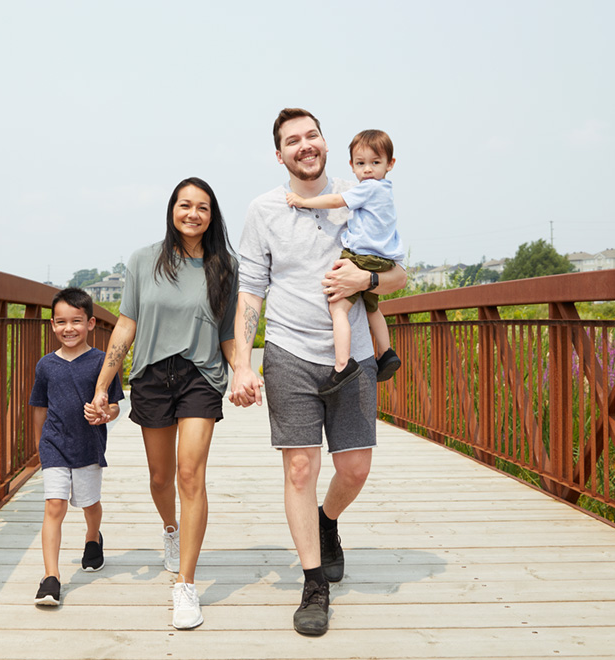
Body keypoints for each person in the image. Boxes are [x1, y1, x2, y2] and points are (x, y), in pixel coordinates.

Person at [229, 109, 407, 636]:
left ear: (325, 143)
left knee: (353, 469)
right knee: (300, 469)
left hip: (351, 360)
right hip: (287, 350)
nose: (304, 146)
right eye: (292, 140)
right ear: (279, 154)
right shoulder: (263, 210)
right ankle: (313, 584)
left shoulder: (364, 192)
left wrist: (365, 282)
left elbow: (398, 274)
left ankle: (327, 521)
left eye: (311, 135)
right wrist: (243, 361)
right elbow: (251, 289)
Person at [89, 177, 238, 630]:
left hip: (201, 375)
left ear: (212, 216)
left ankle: (186, 585)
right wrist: (102, 386)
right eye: (185, 205)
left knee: (191, 474)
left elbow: (229, 333)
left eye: (203, 208)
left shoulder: (224, 266)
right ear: (172, 209)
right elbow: (125, 327)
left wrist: (245, 373)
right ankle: (170, 530)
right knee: (161, 477)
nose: (193, 214)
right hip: (152, 376)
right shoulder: (143, 260)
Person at [285, 128, 404, 390]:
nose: (368, 170)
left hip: (362, 258)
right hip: (384, 259)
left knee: (338, 308)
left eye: (375, 163)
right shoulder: (386, 190)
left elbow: (338, 200)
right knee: (372, 307)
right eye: (361, 164)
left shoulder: (369, 189)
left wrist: (305, 201)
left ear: (389, 164)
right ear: (352, 165)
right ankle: (386, 352)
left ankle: (341, 364)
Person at [30, 287, 124, 607]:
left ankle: (92, 536)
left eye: (76, 321)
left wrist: (104, 414)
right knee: (54, 505)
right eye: (61, 322)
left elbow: (115, 408)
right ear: (53, 325)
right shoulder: (45, 365)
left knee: (89, 503)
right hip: (54, 444)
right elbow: (39, 409)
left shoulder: (102, 362)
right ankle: (51, 577)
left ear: (91, 323)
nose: (68, 328)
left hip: (88, 446)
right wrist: (39, 446)